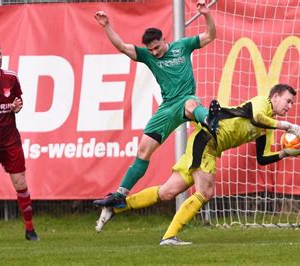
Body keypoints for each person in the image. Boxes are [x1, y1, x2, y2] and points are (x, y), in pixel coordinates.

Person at [94, 84, 300, 245]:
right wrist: (287, 126)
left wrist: (285, 152)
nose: (289, 106)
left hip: (205, 144)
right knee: (205, 192)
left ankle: (118, 207)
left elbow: (262, 158)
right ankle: (169, 237)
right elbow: (256, 116)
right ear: (275, 97)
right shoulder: (262, 103)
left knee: (167, 192)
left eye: (292, 104)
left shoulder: (266, 128)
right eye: (287, 101)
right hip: (206, 140)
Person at [92, 0, 221, 208]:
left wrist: (206, 14)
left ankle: (210, 119)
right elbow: (122, 46)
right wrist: (106, 25)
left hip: (187, 99)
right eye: (150, 50)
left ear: (164, 39)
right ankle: (120, 195)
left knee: (190, 105)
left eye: (156, 47)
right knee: (143, 150)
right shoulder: (147, 56)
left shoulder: (183, 46)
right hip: (167, 107)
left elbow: (210, 36)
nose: (154, 52)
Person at [0, 43, 39, 241]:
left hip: (10, 140)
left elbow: (19, 104)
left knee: (20, 183)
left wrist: (16, 107)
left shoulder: (11, 78)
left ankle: (30, 230)